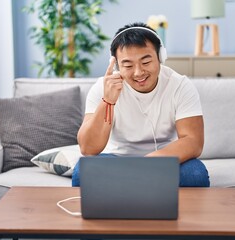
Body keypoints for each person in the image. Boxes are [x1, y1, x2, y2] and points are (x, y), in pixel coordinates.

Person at [73, 22, 210, 187]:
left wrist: (146, 165)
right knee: (82, 173)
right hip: (117, 159)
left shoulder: (180, 86)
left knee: (195, 175)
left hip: (165, 158)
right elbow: (88, 148)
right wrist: (108, 100)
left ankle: (131, 191)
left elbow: (193, 142)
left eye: (146, 62)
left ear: (160, 57)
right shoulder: (103, 87)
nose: (138, 72)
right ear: (116, 64)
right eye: (128, 65)